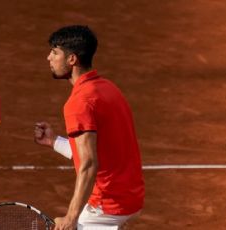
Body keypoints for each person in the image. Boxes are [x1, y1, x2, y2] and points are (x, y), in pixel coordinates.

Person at [34, 25, 144, 230]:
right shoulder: (108, 88)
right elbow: (99, 150)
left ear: (72, 59)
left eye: (54, 52)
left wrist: (71, 218)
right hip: (129, 196)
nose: (48, 58)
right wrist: (53, 142)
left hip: (105, 206)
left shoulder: (80, 102)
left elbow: (88, 164)